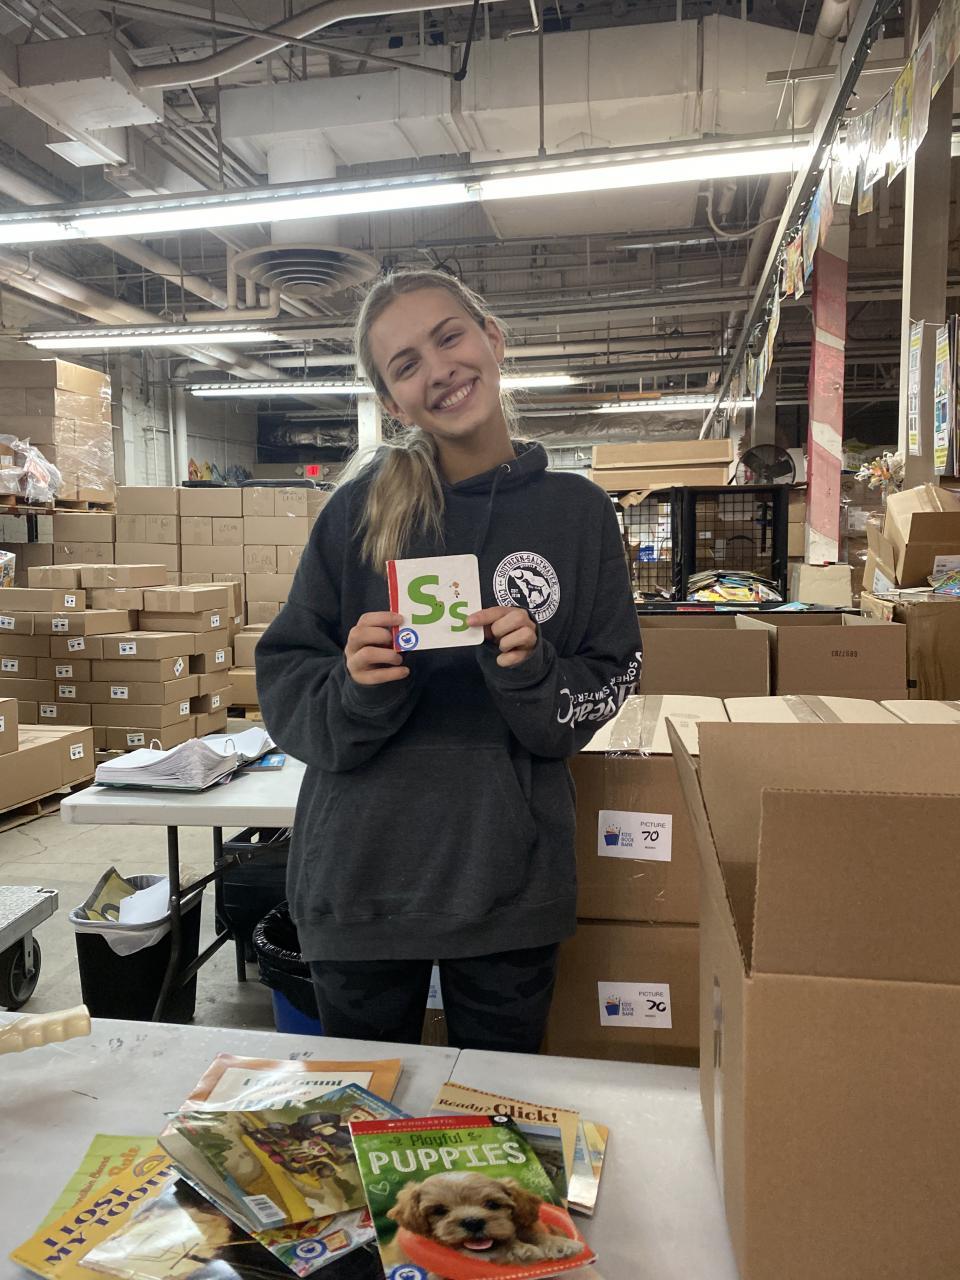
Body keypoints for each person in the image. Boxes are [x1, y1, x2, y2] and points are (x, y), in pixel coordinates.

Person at [255, 269, 641, 1053]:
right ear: (392, 402)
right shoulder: (358, 512)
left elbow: (612, 677)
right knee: (366, 1116)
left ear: (493, 339)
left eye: (449, 336)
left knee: (496, 1119)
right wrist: (354, 686)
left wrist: (533, 671)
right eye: (405, 365)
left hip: (508, 883)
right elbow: (287, 688)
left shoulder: (578, 512)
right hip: (360, 882)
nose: (438, 369)